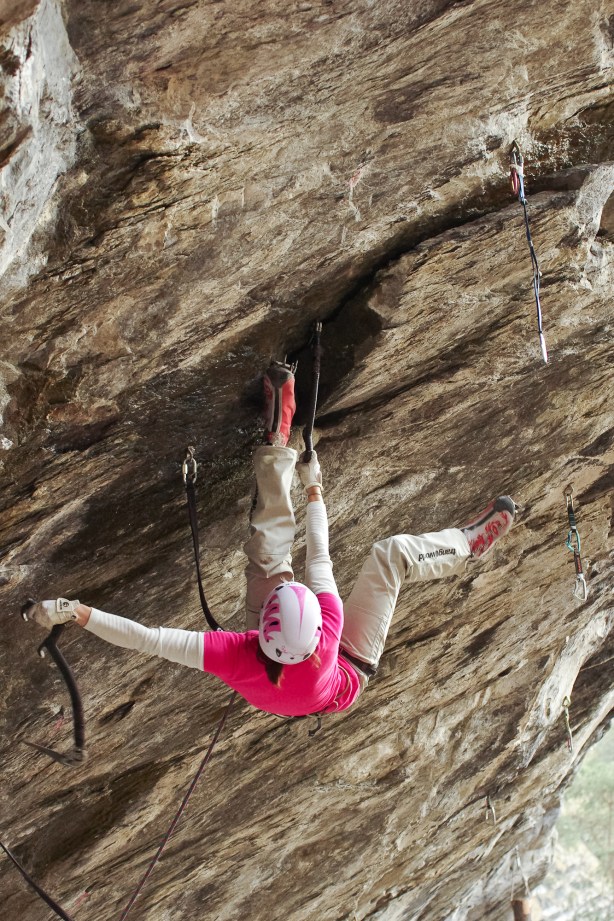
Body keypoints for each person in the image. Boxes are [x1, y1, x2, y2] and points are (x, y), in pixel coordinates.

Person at [26, 362, 516, 718]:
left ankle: (278, 443)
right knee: (391, 556)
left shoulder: (235, 654)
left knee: (266, 553)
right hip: (351, 668)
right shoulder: (327, 634)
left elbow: (149, 640)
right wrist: (314, 486)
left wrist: (78, 612)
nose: (290, 582)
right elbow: (317, 553)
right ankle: (464, 544)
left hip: (300, 667)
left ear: (261, 628)